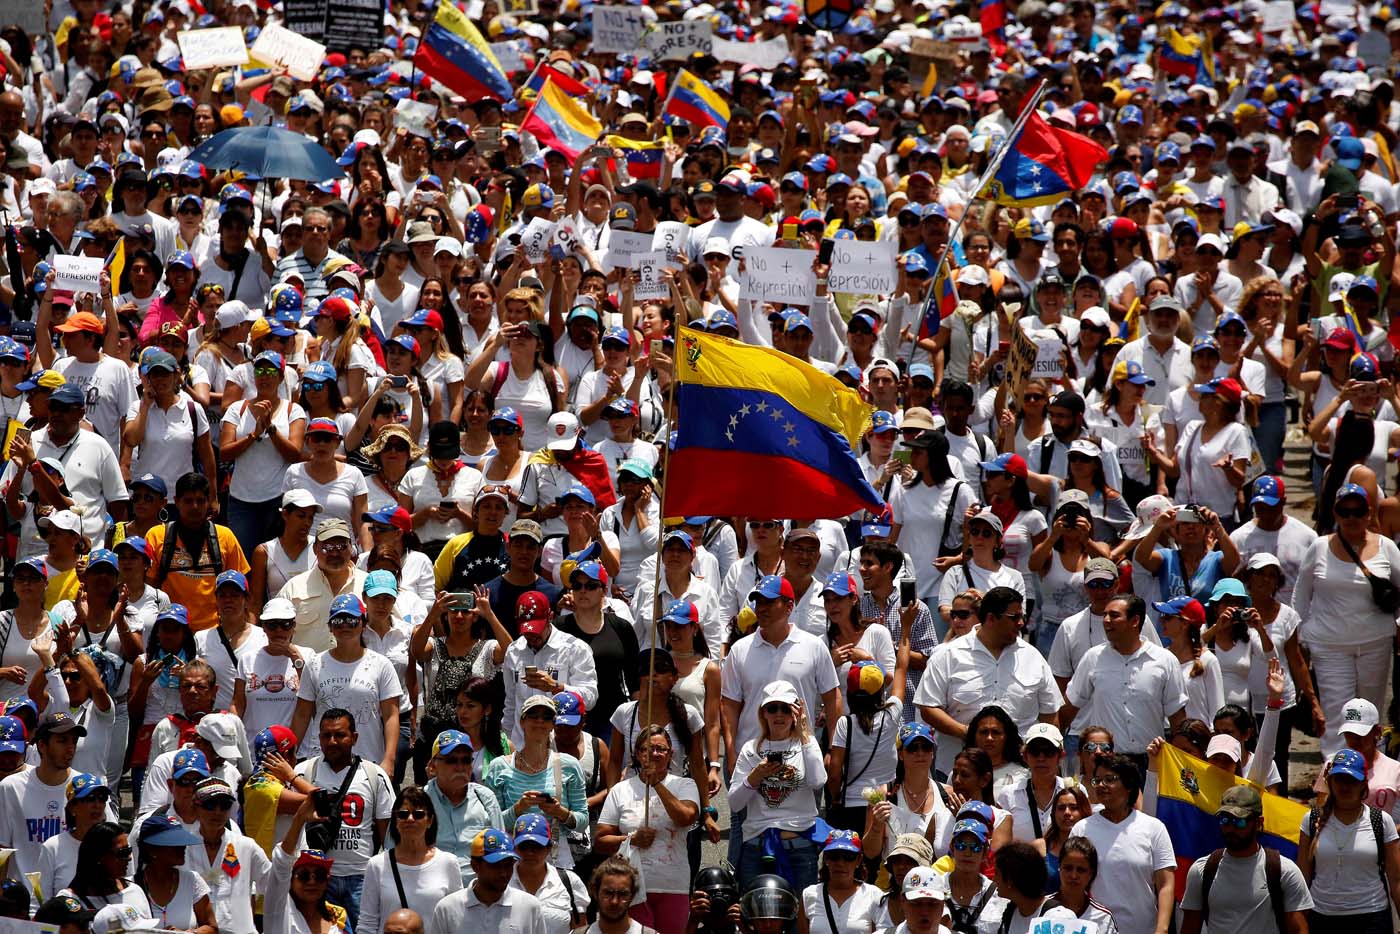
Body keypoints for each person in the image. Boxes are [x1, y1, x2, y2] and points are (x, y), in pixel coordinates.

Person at [1294, 483, 1400, 758]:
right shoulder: (1318, 548)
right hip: (1329, 646)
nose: (1351, 518)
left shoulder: (1387, 548)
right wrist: (1299, 641)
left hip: (1375, 643)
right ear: (1335, 513)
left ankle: (1372, 775)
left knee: (1369, 712)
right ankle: (1335, 772)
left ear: (1369, 513)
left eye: (1358, 511)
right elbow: (1300, 598)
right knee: (1337, 711)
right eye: (1345, 511)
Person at [915, 586, 1061, 778]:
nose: (1021, 623)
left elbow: (1050, 714)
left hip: (1020, 776)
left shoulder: (1033, 657)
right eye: (1014, 617)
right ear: (991, 618)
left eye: (1021, 616)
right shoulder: (949, 655)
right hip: (958, 773)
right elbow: (928, 707)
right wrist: (970, 734)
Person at [292, 709, 396, 930]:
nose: (332, 742)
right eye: (325, 735)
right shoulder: (302, 773)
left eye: (339, 735)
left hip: (362, 878)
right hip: (317, 880)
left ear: (355, 737)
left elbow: (387, 835)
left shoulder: (374, 775)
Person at [1060, 594, 1187, 771]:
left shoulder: (1165, 661)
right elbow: (1068, 708)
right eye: (1105, 615)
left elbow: (1177, 719)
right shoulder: (1093, 658)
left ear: (1135, 621)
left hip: (1151, 763)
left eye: (1114, 615)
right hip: (1106, 762)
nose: (1106, 620)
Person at [595, 725, 701, 934]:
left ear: (671, 754)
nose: (653, 754)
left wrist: (657, 786)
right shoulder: (620, 789)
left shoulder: (685, 785)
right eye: (646, 749)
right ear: (637, 754)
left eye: (660, 749)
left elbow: (686, 818)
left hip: (672, 885)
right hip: (630, 888)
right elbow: (600, 841)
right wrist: (631, 839)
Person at [728, 680, 828, 891]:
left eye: (786, 708)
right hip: (758, 846)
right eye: (772, 708)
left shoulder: (807, 744)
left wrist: (804, 735)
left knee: (799, 916)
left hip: (799, 845)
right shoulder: (751, 748)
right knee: (756, 916)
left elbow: (818, 781)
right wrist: (755, 777)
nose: (779, 714)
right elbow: (735, 803)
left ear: (796, 712)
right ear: (763, 713)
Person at [290, 595, 402, 772]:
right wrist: (290, 753)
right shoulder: (314, 664)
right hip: (322, 759)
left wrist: (389, 759)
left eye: (351, 620)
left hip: (368, 760)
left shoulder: (381, 665)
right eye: (338, 620)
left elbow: (391, 715)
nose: (344, 625)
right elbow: (302, 714)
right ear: (330, 627)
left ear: (363, 623)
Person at [1179, 785, 1311, 934]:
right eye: (1225, 820)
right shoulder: (1201, 871)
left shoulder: (1285, 872)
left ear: (1258, 823)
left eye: (1239, 822)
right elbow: (1189, 927)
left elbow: (1299, 929)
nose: (1231, 828)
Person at [481, 694, 590, 872]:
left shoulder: (569, 765)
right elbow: (490, 822)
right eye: (533, 716)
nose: (540, 722)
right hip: (512, 855)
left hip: (555, 856)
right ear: (522, 721)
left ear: (553, 724)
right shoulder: (498, 766)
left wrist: (559, 812)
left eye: (546, 717)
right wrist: (518, 808)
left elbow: (582, 820)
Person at [1297, 749, 1400, 934]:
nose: (1345, 786)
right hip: (1322, 917)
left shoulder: (1382, 821)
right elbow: (1302, 878)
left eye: (1352, 780)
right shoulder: (1310, 820)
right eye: (1340, 779)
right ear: (1330, 781)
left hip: (1372, 917)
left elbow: (1396, 881)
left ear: (1363, 784)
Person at [1070, 755, 1175, 934]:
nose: (1101, 785)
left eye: (1109, 779)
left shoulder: (1154, 828)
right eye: (1097, 780)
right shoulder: (1082, 829)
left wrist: (1162, 929)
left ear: (1129, 785)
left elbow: (1165, 883)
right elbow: (1071, 881)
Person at [143, 471, 249, 628]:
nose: (195, 507)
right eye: (188, 501)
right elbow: (148, 590)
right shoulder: (157, 536)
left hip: (215, 633)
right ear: (176, 502)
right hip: (172, 631)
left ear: (208, 502)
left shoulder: (225, 536)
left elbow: (242, 590)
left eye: (200, 501)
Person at [492, 591, 598, 744]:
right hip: (521, 745)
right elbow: (511, 704)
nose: (532, 636)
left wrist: (556, 687)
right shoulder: (513, 651)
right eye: (527, 631)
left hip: (560, 746)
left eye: (537, 629)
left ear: (550, 617)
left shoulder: (575, 648)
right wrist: (507, 742)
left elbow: (590, 698)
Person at [359, 786, 464, 934]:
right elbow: (367, 923)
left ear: (430, 821)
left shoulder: (448, 863)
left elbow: (456, 918)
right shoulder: (377, 865)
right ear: (395, 820)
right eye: (403, 814)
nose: (410, 819)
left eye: (418, 814)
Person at [0, 711, 86, 880]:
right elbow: (2, 848)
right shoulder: (10, 788)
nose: (71, 748)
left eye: (74, 741)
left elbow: (108, 841)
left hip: (72, 900)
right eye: (62, 741)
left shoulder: (86, 787)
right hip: (26, 901)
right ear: (42, 746)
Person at [185, 776, 271, 934]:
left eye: (224, 806)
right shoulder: (182, 849)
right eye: (210, 805)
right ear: (195, 807)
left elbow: (274, 886)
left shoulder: (246, 846)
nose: (217, 812)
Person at [427, 828, 546, 934]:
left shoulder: (530, 907)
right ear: (475, 866)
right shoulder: (447, 909)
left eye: (508, 865)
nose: (503, 873)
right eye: (495, 865)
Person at [422, 729, 505, 880]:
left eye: (466, 760)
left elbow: (500, 851)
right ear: (433, 766)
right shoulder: (419, 802)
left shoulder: (485, 799)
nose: (460, 767)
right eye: (451, 760)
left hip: (476, 892)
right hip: (430, 887)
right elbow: (398, 853)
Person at [276, 518, 369, 653]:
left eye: (341, 546)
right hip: (306, 671)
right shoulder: (293, 588)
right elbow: (274, 635)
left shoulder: (368, 585)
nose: (335, 553)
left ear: (351, 547)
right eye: (327, 547)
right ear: (314, 549)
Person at [132, 815, 216, 934]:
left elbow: (212, 927)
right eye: (174, 843)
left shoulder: (193, 880)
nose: (183, 847)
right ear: (151, 849)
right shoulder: (130, 887)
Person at [508, 813, 589, 934]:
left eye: (537, 846)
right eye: (524, 846)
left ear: (549, 848)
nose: (530, 852)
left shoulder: (569, 881)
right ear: (514, 847)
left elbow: (579, 929)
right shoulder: (502, 883)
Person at [795, 830, 883, 934]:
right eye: (834, 856)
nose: (840, 863)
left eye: (848, 857)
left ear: (858, 860)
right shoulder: (809, 895)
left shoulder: (874, 895)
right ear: (826, 859)